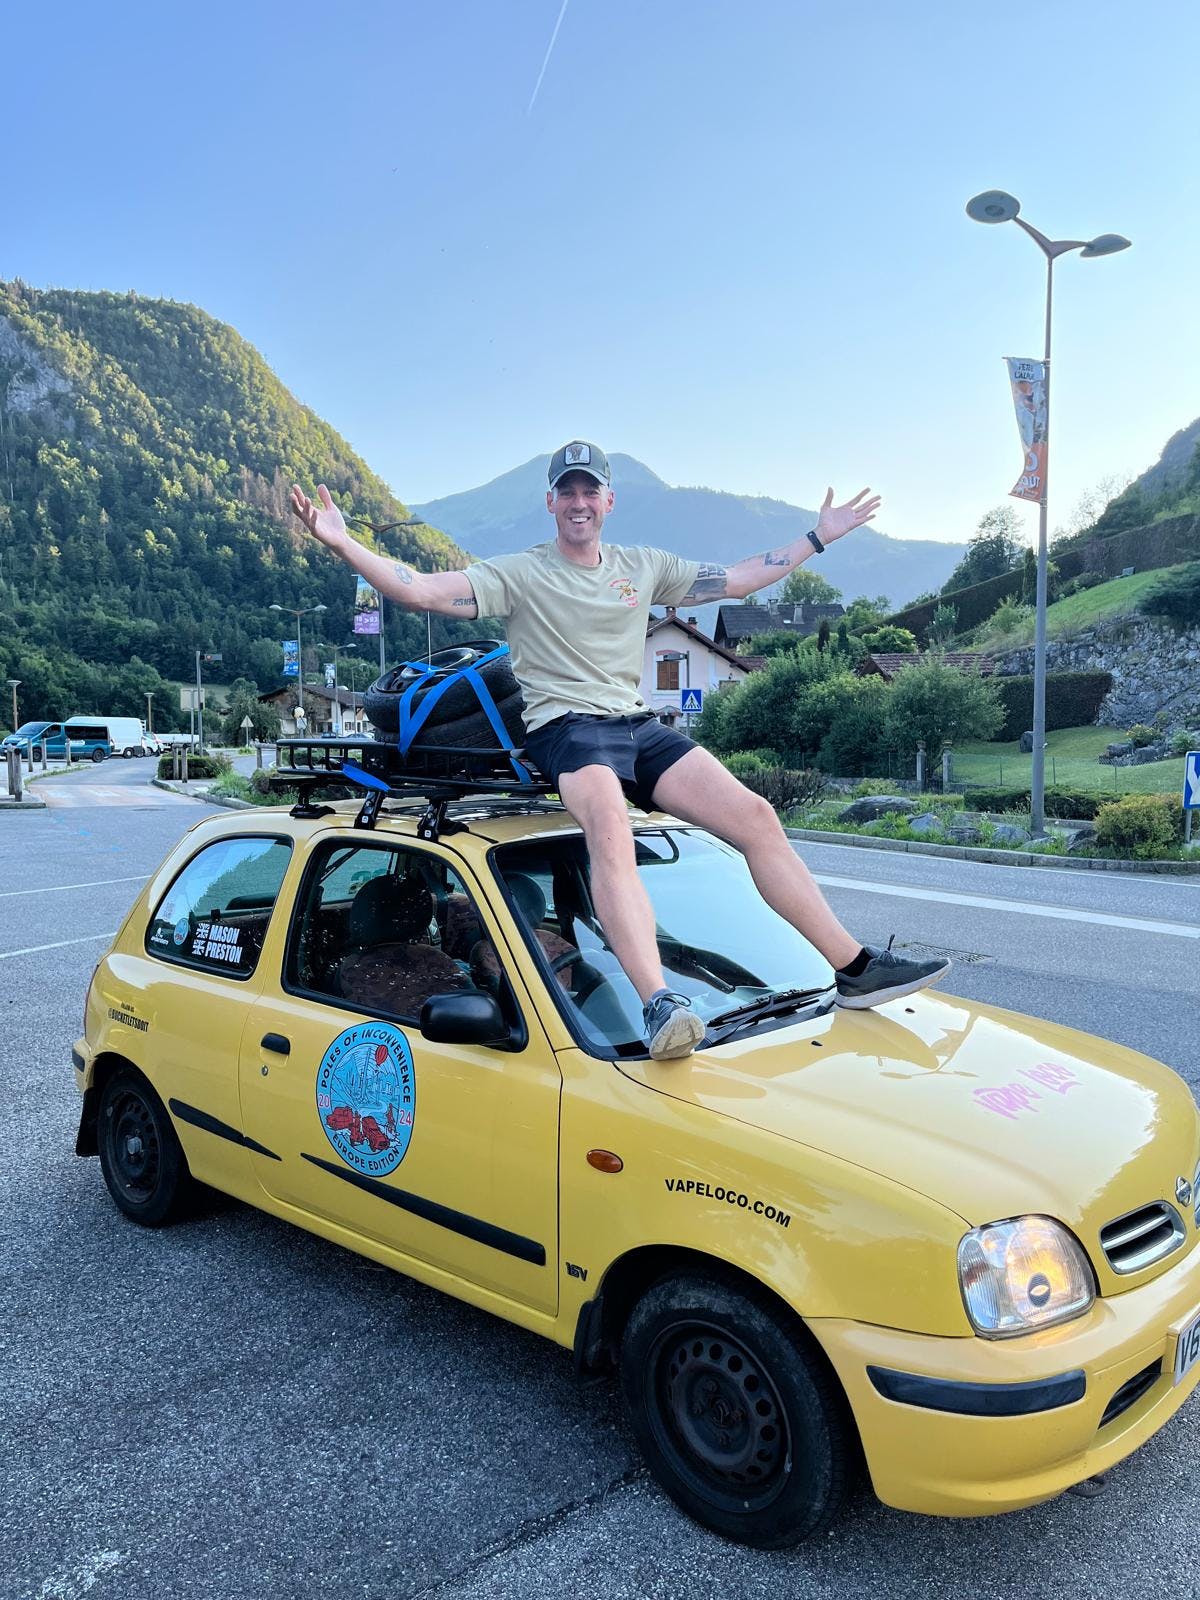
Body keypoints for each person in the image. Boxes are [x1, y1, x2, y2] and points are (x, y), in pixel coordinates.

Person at [290, 441, 950, 1060]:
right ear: (551, 502)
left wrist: (818, 537)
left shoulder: (643, 566)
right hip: (566, 728)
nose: (579, 502)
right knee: (609, 826)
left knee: (756, 817)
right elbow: (418, 588)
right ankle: (659, 1003)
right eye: (567, 491)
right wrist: (344, 541)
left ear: (608, 501)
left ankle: (853, 968)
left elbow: (739, 580)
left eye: (590, 491)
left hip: (635, 723)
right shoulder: (521, 573)